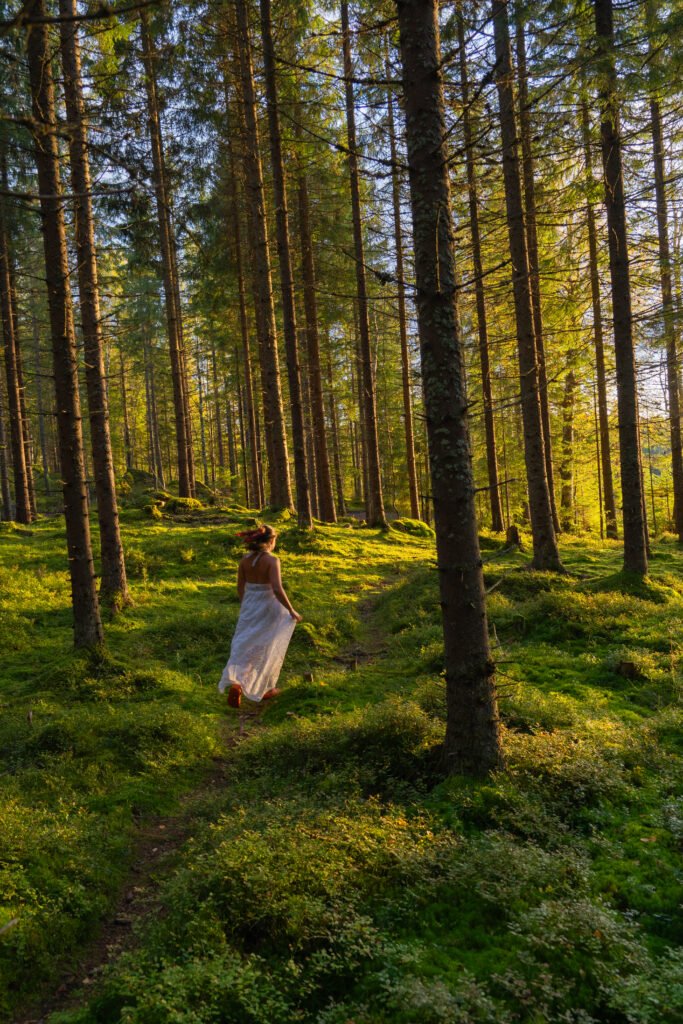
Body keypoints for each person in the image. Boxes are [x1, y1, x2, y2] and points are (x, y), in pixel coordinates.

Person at [218, 524, 302, 709]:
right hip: (269, 607)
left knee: (245, 643)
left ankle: (237, 683)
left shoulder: (244, 561)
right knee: (266, 645)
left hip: (250, 605)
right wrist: (291, 610)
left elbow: (240, 588)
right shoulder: (272, 561)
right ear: (270, 541)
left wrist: (246, 605)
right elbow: (277, 590)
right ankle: (264, 688)